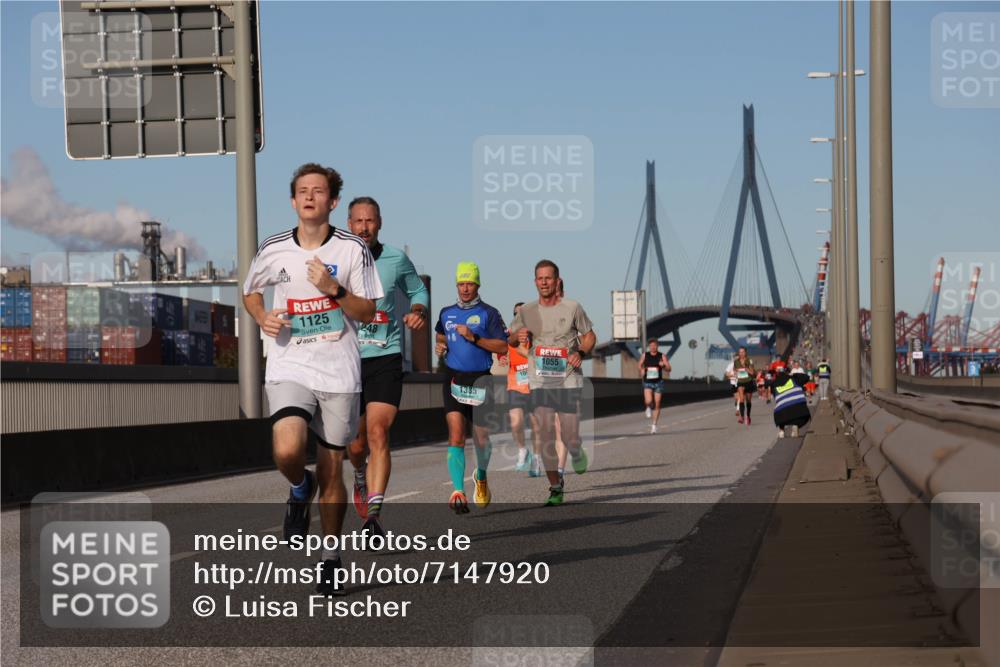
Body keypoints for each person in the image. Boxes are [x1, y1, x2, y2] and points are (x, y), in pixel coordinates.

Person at [242, 163, 383, 596]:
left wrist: (334, 290)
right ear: (292, 201)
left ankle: (330, 557)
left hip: (339, 371)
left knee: (332, 469)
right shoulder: (274, 248)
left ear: (332, 201)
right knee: (287, 448)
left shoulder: (351, 250)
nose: (309, 197)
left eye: (318, 191)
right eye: (302, 191)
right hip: (289, 363)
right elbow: (250, 291)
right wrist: (263, 315)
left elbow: (368, 312)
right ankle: (298, 487)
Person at [345, 197, 430, 537]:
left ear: (379, 223)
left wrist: (419, 311)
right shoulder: (335, 258)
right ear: (348, 224)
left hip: (386, 356)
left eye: (370, 221)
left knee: (379, 433)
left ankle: (374, 516)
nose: (364, 227)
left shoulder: (396, 258)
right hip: (345, 361)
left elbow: (418, 290)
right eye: (358, 221)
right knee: (354, 445)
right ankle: (360, 474)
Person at [510, 260, 596, 506]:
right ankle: (556, 486)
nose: (544, 282)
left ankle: (576, 449)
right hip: (540, 380)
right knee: (546, 433)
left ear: (557, 281)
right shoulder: (526, 311)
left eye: (548, 278)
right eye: (540, 278)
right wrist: (519, 336)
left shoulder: (572, 307)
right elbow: (512, 339)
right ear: (535, 281)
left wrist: (581, 351)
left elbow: (589, 336)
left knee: (568, 434)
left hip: (568, 376)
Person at [435, 262, 507, 514]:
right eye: (461, 283)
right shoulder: (446, 312)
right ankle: (457, 491)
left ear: (478, 285)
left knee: (481, 438)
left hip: (481, 379)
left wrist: (474, 338)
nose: (465, 288)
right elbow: (441, 335)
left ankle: (482, 475)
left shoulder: (489, 313)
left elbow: (502, 346)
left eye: (470, 283)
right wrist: (441, 346)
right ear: (456, 284)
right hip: (453, 378)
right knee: (455, 434)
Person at [505, 302, 540, 475]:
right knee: (516, 421)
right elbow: (500, 349)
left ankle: (536, 458)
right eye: (515, 315)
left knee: (535, 425)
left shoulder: (536, 335)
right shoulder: (509, 336)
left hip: (534, 384)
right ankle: (522, 450)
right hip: (515, 384)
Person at [639, 339, 671, 434]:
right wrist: (641, 370)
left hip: (658, 382)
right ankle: (648, 407)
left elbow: (669, 369)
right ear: (649, 346)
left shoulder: (662, 356)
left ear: (657, 346)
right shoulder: (645, 355)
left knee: (657, 404)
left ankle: (654, 425)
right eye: (651, 345)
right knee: (648, 401)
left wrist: (663, 366)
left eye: (655, 345)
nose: (653, 347)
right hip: (648, 381)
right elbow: (640, 364)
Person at [771, 367, 811, 438]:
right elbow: (807, 377)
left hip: (781, 414)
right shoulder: (795, 378)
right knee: (800, 413)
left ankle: (781, 431)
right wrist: (793, 374)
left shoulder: (774, 384)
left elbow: (775, 396)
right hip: (800, 409)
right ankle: (796, 425)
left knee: (781, 407)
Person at [732, 347, 756, 425]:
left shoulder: (749, 360)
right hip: (740, 382)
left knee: (748, 401)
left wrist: (747, 369)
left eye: (743, 352)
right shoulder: (736, 362)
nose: (741, 354)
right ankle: (742, 417)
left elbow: (752, 373)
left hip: (748, 381)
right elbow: (734, 370)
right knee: (741, 399)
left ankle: (748, 416)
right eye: (740, 352)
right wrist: (736, 372)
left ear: (745, 352)